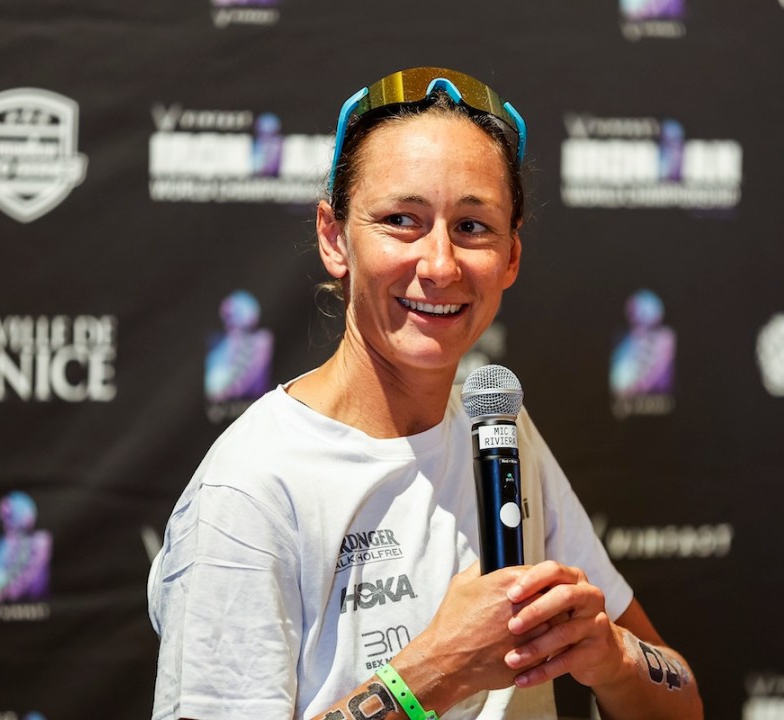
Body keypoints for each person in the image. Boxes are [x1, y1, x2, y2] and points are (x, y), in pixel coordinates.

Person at [148, 66, 704, 720]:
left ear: (512, 256)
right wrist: (431, 675)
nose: (439, 266)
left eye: (473, 227)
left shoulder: (498, 431)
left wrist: (610, 657)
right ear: (334, 237)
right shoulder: (248, 489)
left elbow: (681, 705)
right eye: (402, 220)